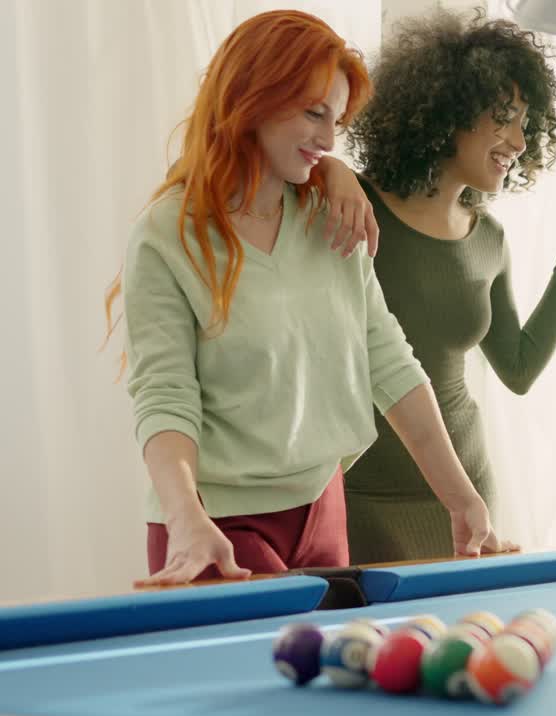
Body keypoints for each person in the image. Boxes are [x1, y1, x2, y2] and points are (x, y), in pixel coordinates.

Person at [105, 10, 506, 586]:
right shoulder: (168, 234)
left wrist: (460, 497)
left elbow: (389, 361)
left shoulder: (333, 217)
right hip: (216, 525)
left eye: (337, 120)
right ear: (252, 98)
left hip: (324, 510)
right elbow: (164, 396)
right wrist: (185, 517)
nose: (328, 139)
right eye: (313, 113)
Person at [314, 9, 556, 564]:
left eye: (526, 122)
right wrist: (330, 168)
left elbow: (517, 369)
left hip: (468, 494)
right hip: (365, 498)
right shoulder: (355, 209)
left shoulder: (489, 238)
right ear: (449, 113)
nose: (520, 140)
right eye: (505, 118)